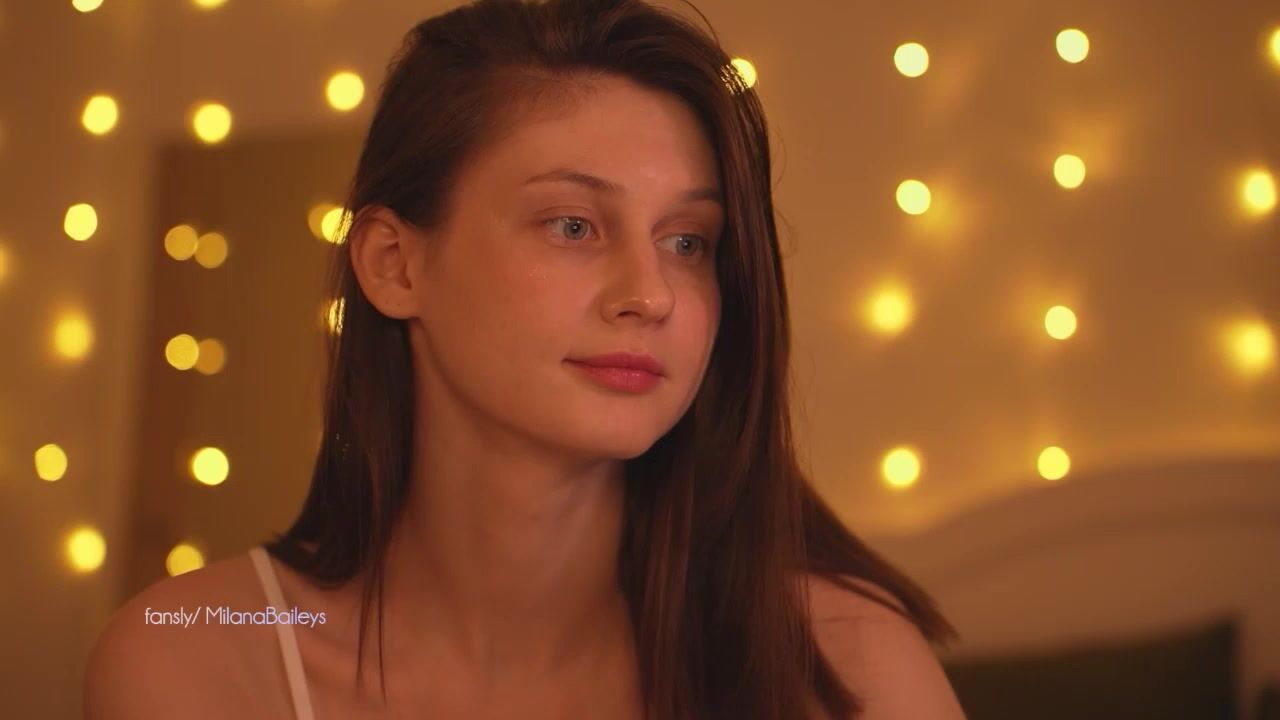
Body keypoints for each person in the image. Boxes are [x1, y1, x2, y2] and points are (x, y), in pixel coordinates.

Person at [84, 0, 967, 717]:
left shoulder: (843, 669)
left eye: (688, 241)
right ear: (395, 264)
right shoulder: (196, 662)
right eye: (573, 225)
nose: (651, 293)